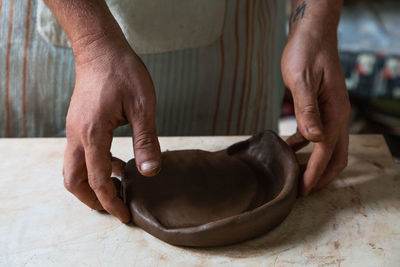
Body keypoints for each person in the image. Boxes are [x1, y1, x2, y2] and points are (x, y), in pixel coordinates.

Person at [41, 0, 350, 223]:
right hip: (70, 28)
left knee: (249, 180)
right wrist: (91, 43)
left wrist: (315, 24)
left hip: (235, 36)